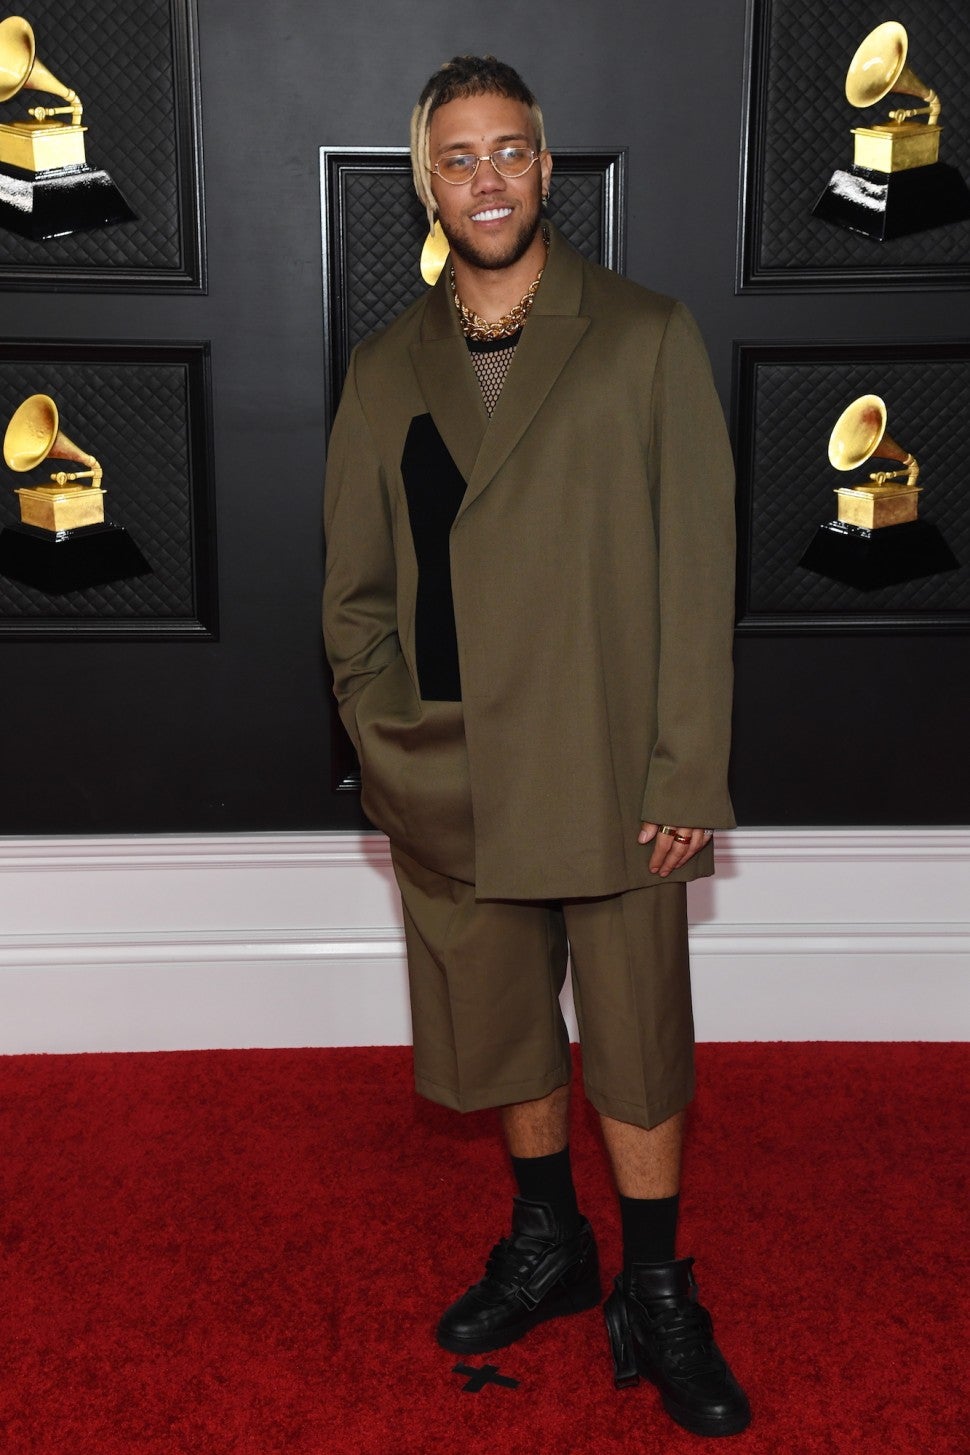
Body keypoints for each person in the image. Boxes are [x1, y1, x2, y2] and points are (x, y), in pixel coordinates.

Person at [323, 55, 750, 1439]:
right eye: (458, 158)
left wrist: (686, 770)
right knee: (503, 1032)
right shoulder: (383, 368)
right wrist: (385, 740)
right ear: (426, 184)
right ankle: (549, 1242)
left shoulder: (644, 336)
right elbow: (353, 594)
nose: (487, 178)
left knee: (636, 1045)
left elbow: (698, 574)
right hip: (450, 766)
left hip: (614, 768)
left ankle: (657, 1288)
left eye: (510, 151)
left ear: (547, 169)